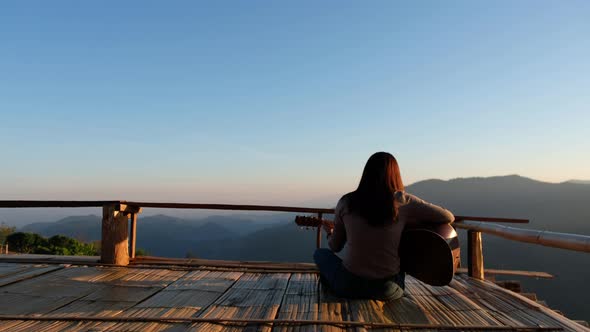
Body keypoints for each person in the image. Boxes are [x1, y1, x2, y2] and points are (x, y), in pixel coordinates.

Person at [314, 152, 454, 301]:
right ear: (395, 174)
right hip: (387, 289)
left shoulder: (346, 202)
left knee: (320, 254)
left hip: (349, 286)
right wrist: (412, 222)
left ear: (366, 173)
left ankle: (332, 286)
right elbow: (448, 216)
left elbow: (335, 247)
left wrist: (330, 232)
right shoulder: (402, 200)